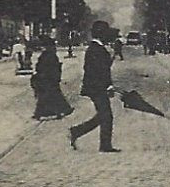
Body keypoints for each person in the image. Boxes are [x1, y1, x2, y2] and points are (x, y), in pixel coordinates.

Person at [68, 22, 118, 152]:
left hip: (95, 87)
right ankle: (104, 145)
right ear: (101, 34)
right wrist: (108, 86)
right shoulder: (96, 49)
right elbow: (100, 71)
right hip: (97, 88)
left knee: (103, 115)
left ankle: (77, 132)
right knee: (106, 115)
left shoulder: (95, 48)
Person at [31, 37, 73, 120]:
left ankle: (41, 113)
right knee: (53, 95)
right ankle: (63, 110)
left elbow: (42, 67)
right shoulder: (51, 54)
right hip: (50, 78)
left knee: (46, 96)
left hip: (47, 78)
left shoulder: (47, 55)